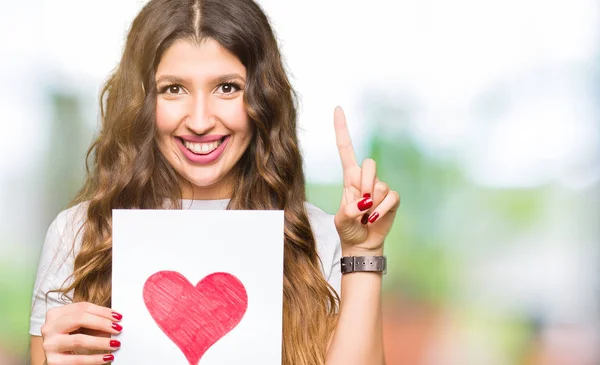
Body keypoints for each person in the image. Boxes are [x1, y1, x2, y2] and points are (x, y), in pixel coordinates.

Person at [28, 0, 400, 364]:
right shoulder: (80, 235)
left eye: (227, 88)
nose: (201, 121)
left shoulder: (318, 237)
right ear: (141, 102)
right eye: (173, 88)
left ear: (263, 98)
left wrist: (364, 252)